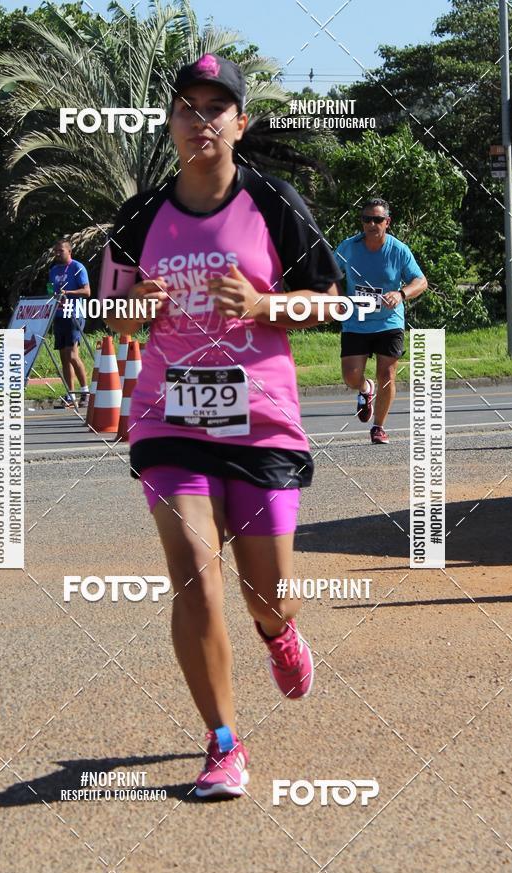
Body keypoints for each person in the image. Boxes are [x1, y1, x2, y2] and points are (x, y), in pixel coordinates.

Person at [100, 54, 343, 798]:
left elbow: (333, 303)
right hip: (168, 419)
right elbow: (106, 311)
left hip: (261, 421)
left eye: (216, 108)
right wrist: (133, 304)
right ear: (171, 123)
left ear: (240, 122)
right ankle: (223, 742)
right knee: (196, 582)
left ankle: (279, 633)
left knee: (265, 594)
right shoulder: (140, 216)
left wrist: (267, 306)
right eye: (186, 108)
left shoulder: (272, 202)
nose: (200, 120)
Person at [335, 199, 428, 444]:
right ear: (362, 222)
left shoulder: (399, 250)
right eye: (367, 219)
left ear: (387, 222)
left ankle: (378, 427)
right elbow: (329, 275)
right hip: (356, 321)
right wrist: (333, 297)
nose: (372, 224)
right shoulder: (348, 248)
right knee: (350, 377)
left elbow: (421, 281)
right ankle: (365, 389)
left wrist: (401, 294)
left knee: (387, 374)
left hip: (389, 322)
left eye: (377, 219)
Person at [48, 238, 91, 408]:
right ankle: (70, 394)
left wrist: (69, 292)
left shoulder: (77, 267)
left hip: (74, 314)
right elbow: (51, 290)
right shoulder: (53, 270)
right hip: (58, 315)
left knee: (73, 355)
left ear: (69, 251)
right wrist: (52, 296)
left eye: (61, 251)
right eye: (56, 251)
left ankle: (85, 392)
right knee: (64, 358)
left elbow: (87, 291)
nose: (58, 254)